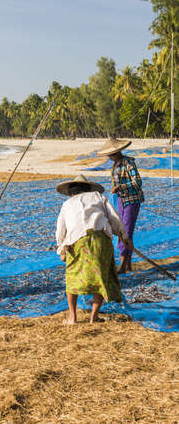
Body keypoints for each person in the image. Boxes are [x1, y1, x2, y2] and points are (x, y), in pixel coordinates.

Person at [56, 175, 131, 324]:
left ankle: (72, 317)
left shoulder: (67, 204)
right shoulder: (98, 196)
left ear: (72, 192)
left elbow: (60, 230)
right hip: (100, 239)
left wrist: (62, 249)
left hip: (76, 241)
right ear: (88, 188)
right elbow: (114, 218)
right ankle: (93, 317)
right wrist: (123, 236)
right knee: (100, 275)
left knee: (72, 277)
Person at [97, 138, 144, 273]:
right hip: (121, 201)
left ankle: (123, 263)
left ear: (117, 152)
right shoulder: (115, 165)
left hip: (131, 200)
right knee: (121, 228)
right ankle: (128, 264)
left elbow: (137, 182)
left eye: (111, 154)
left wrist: (120, 187)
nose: (109, 157)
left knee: (126, 231)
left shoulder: (128, 162)